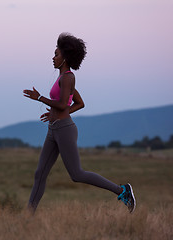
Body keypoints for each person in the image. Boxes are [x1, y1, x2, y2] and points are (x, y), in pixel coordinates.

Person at [23, 33, 136, 214]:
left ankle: (123, 191)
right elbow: (78, 103)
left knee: (77, 174)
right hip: (54, 129)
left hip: (64, 130)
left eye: (56, 54)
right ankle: (28, 217)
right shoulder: (62, 78)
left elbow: (61, 104)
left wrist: (40, 98)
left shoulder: (68, 77)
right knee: (40, 173)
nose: (53, 57)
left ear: (65, 57)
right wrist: (53, 113)